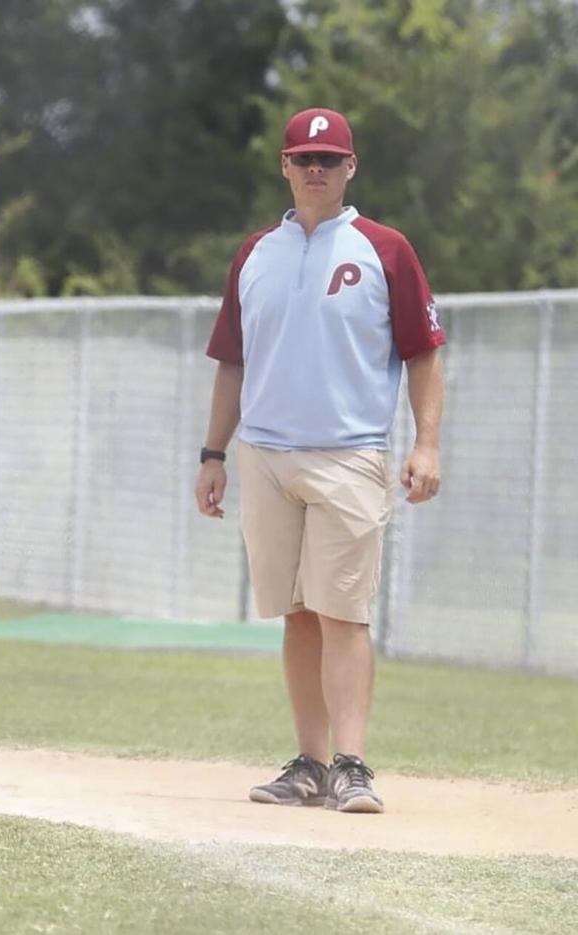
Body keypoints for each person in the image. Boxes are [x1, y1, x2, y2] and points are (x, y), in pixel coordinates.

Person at [194, 108, 445, 814]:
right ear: (284, 165)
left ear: (350, 169)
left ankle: (353, 764)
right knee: (297, 613)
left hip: (349, 454)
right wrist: (213, 453)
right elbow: (231, 363)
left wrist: (425, 443)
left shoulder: (383, 249)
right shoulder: (255, 253)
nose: (315, 170)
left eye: (329, 160)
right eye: (304, 158)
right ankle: (307, 763)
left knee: (344, 613)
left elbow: (424, 352)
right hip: (265, 455)